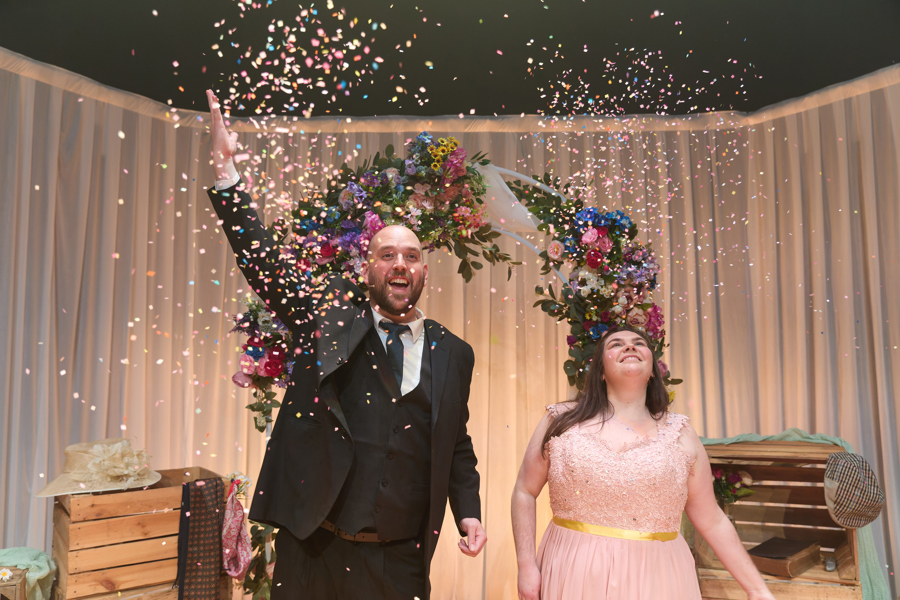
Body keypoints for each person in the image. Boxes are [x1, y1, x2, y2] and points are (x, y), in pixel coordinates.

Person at [204, 90, 486, 599]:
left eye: (411, 255)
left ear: (423, 271)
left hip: (399, 556)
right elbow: (267, 267)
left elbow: (455, 441)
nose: (399, 263)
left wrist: (468, 511)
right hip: (316, 547)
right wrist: (228, 178)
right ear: (366, 268)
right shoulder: (330, 316)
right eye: (386, 254)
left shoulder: (454, 353)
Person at [511, 326, 776, 600]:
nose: (629, 346)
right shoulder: (561, 420)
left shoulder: (680, 432)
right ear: (600, 371)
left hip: (659, 576)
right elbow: (524, 491)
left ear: (652, 370)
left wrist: (756, 589)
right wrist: (526, 564)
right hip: (573, 566)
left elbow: (712, 521)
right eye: (616, 344)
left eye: (639, 343)